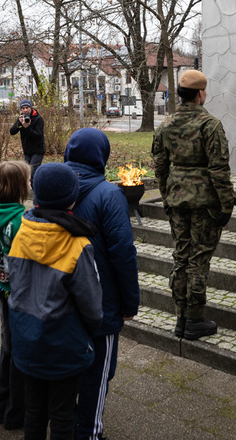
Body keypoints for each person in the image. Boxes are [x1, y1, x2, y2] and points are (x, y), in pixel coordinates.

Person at [7, 163, 102, 440]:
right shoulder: (78, 244)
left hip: (26, 339)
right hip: (64, 344)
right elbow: (92, 306)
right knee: (62, 414)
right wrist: (88, 332)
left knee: (34, 411)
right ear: (72, 199)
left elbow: (16, 284)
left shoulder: (21, 232)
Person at [64, 128, 140, 440]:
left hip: (63, 298)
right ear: (101, 156)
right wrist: (129, 303)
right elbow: (123, 252)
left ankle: (69, 424)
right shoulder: (109, 195)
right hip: (101, 302)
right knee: (99, 373)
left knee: (69, 369)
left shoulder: (55, 188)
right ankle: (89, 433)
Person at [151, 69, 235, 341]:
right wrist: (226, 205)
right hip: (205, 204)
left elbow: (160, 167)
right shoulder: (209, 125)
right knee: (198, 261)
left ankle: (181, 318)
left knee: (181, 257)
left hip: (177, 201)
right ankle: (194, 320)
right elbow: (219, 169)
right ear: (200, 94)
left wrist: (166, 197)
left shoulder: (166, 125)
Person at [0, 160, 31, 431]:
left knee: (7, 347)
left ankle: (1, 408)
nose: (30, 184)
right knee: (18, 352)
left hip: (3, 289)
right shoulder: (20, 220)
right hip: (19, 293)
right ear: (19, 187)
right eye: (27, 180)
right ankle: (15, 413)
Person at [10, 98, 45, 180]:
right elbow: (12, 132)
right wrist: (19, 123)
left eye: (27, 108)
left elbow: (39, 136)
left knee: (32, 173)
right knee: (27, 174)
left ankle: (36, 187)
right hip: (27, 151)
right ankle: (31, 187)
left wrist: (27, 127)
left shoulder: (38, 119)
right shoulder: (21, 118)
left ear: (31, 108)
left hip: (37, 150)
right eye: (23, 108)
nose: (25, 110)